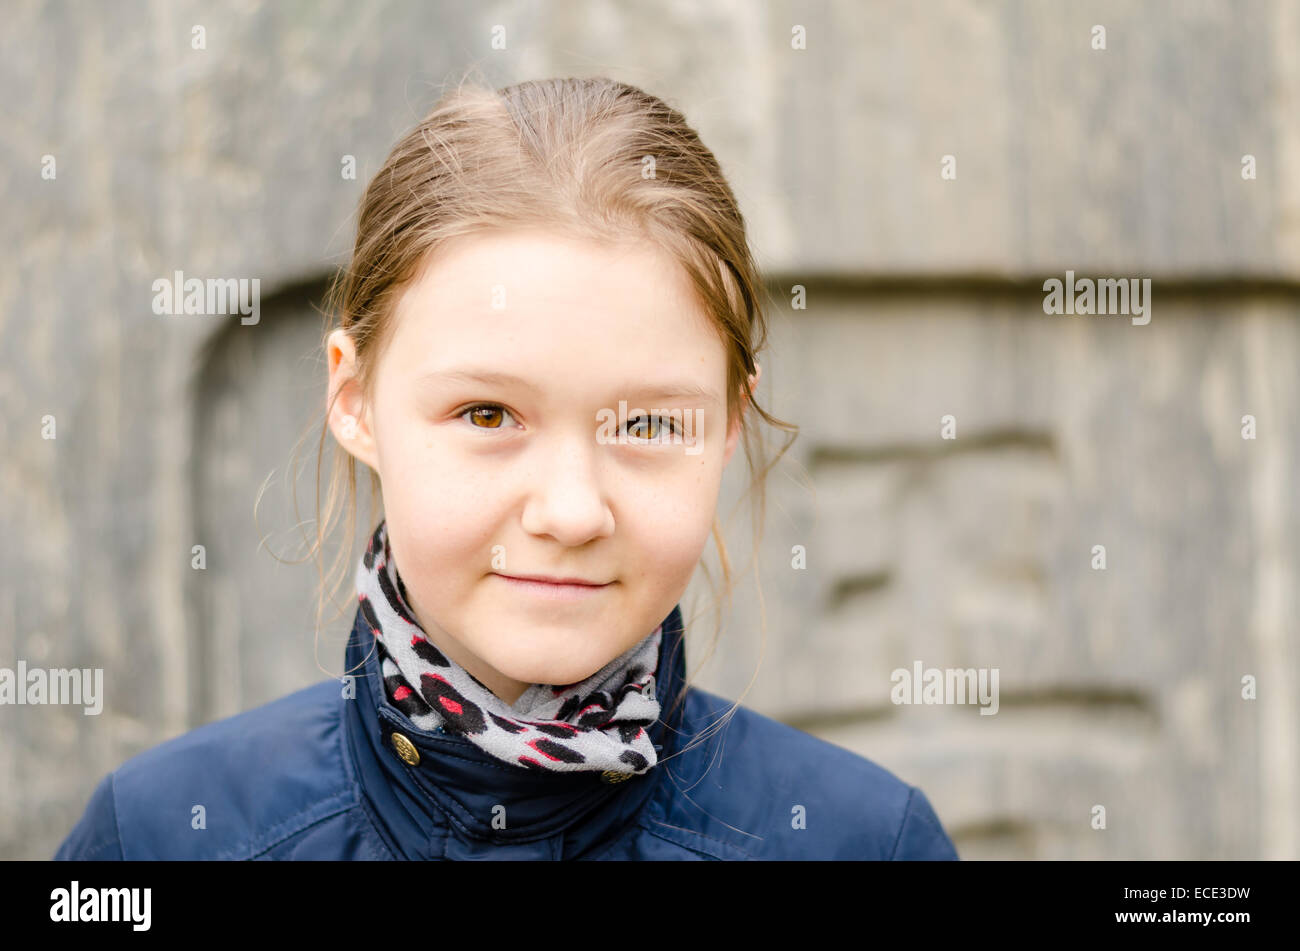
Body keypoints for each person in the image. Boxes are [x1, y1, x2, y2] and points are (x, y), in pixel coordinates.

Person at [54, 74, 959, 860]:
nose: (570, 511)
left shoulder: (866, 841)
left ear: (728, 421)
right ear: (355, 399)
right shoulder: (163, 836)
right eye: (486, 413)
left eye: (646, 422)